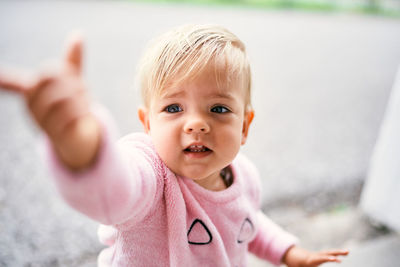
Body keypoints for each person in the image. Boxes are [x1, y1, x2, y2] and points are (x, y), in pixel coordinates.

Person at [0, 24, 348, 266]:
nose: (196, 123)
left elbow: (246, 222)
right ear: (148, 124)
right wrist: (81, 144)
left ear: (245, 126)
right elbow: (113, 188)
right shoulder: (152, 181)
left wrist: (288, 252)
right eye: (173, 108)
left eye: (219, 108)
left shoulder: (244, 175)